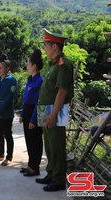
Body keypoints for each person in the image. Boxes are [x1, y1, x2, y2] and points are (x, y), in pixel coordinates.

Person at [35, 29, 74, 191]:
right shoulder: (53, 65)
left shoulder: (63, 65)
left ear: (55, 47)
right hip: (46, 109)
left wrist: (53, 114)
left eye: (46, 45)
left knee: (57, 145)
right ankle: (51, 173)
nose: (44, 48)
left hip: (55, 111)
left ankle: (58, 179)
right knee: (49, 145)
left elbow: (62, 92)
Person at [19, 49, 44, 176]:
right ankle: (30, 165)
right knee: (29, 140)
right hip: (27, 110)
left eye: (28, 64)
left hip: (35, 112)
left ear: (34, 66)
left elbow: (38, 102)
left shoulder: (40, 81)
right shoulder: (30, 79)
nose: (27, 66)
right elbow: (25, 98)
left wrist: (33, 120)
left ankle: (35, 168)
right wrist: (23, 114)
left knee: (35, 141)